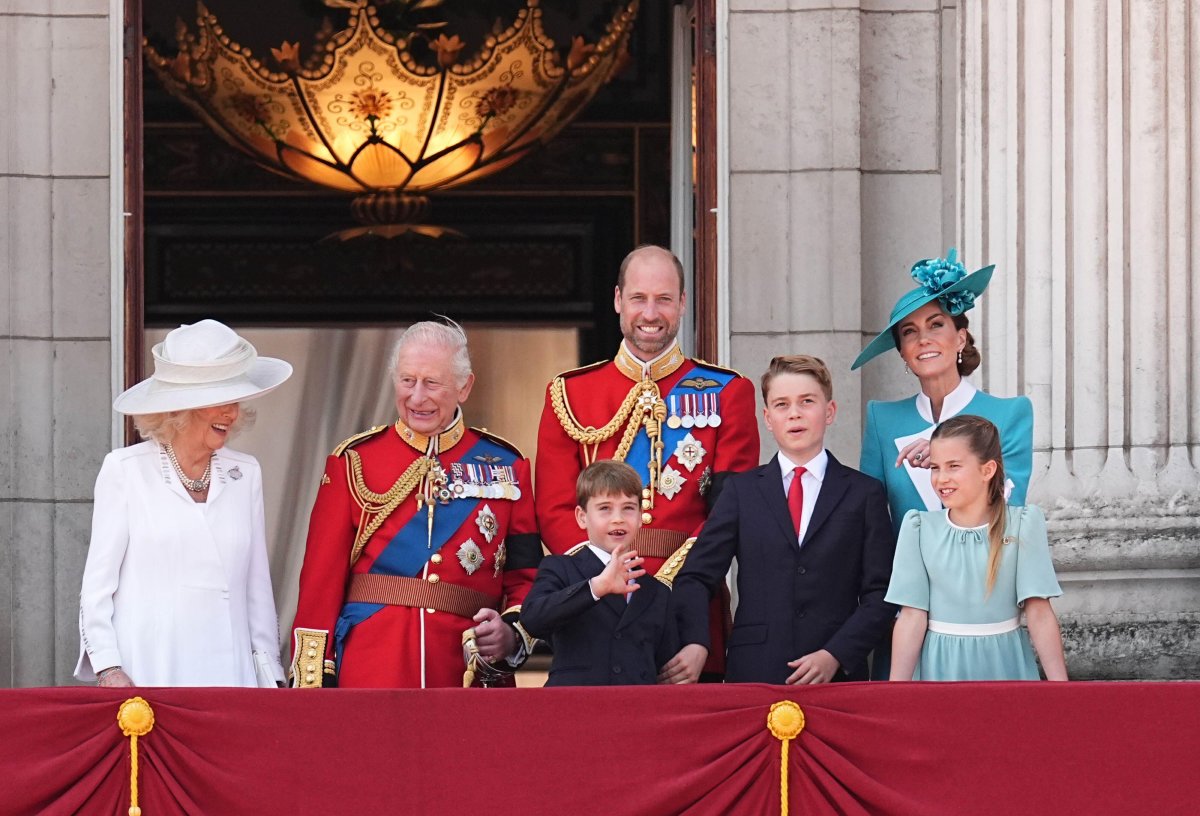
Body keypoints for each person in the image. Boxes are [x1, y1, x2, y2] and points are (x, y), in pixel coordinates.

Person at [535, 244, 759, 682]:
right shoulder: (569, 393)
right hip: (596, 610)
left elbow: (728, 515)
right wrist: (602, 580)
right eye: (639, 298)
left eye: (663, 299)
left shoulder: (728, 390)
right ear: (618, 301)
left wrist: (683, 593)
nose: (650, 312)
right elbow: (555, 509)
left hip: (689, 605)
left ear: (682, 304)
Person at [290, 320, 542, 688]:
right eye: (407, 380)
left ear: (464, 387)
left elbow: (526, 578)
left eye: (432, 383)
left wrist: (511, 631)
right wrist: (313, 682)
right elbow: (319, 584)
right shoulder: (354, 461)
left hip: (463, 672)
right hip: (370, 669)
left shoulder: (507, 465)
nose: (417, 397)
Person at [75, 319, 293, 687]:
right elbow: (97, 587)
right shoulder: (126, 471)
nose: (233, 413)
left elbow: (257, 588)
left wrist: (269, 675)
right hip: (150, 671)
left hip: (232, 677)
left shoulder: (245, 474)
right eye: (221, 401)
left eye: (235, 400)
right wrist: (109, 668)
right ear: (181, 408)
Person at [852, 248, 1034, 678]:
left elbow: (1008, 511)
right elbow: (871, 522)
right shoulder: (883, 417)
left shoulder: (1009, 414)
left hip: (984, 614)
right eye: (910, 333)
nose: (924, 339)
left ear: (961, 338)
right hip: (905, 620)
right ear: (901, 352)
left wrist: (939, 450)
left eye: (937, 325)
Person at [668, 355, 896, 684]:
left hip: (837, 678)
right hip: (754, 672)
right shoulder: (740, 492)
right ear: (767, 417)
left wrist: (837, 654)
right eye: (781, 404)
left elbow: (882, 593)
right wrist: (696, 641)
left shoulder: (864, 494)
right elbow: (695, 577)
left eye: (807, 401)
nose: (794, 413)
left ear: (829, 411)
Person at [887, 415, 1067, 681]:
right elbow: (912, 617)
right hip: (940, 669)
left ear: (987, 470)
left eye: (954, 466)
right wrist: (895, 695)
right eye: (935, 468)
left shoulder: (1022, 525)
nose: (941, 479)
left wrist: (1062, 691)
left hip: (1006, 665)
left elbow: (1039, 612)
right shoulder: (919, 528)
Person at [521, 461, 679, 686]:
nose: (618, 518)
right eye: (605, 508)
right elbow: (533, 619)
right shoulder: (560, 568)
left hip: (637, 713)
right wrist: (595, 588)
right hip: (575, 709)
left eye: (628, 508)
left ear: (640, 517)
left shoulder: (658, 591)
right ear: (582, 516)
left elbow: (663, 667)